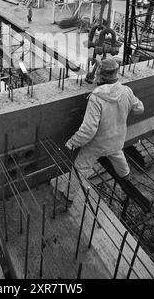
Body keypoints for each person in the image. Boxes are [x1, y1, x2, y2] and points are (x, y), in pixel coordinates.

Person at [53, 57, 144, 205]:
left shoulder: (97, 97)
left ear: (100, 75)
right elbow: (140, 109)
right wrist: (124, 108)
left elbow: (88, 130)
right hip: (117, 141)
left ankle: (67, 197)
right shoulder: (126, 91)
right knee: (116, 154)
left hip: (97, 145)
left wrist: (73, 142)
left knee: (80, 168)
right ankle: (125, 175)